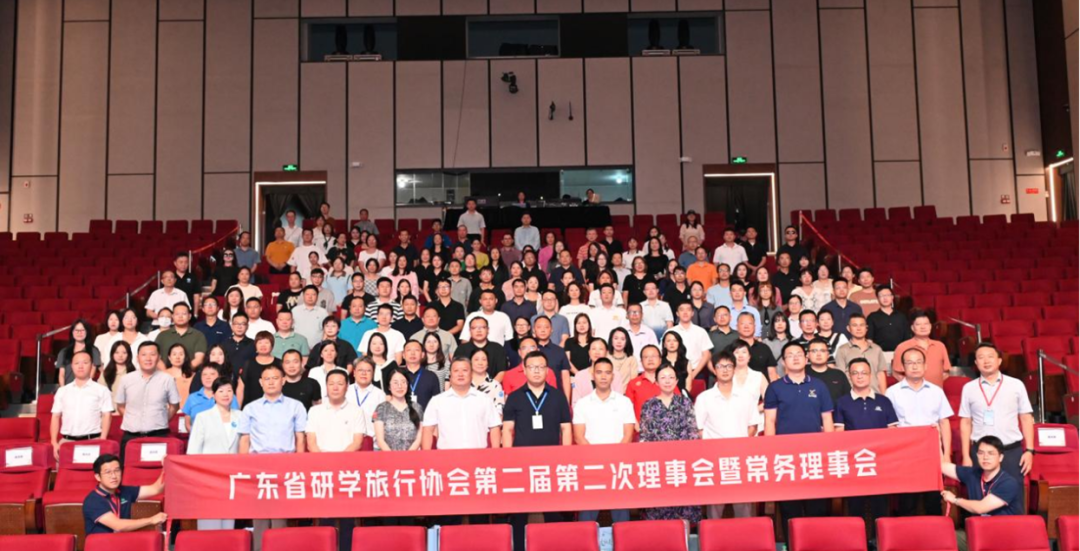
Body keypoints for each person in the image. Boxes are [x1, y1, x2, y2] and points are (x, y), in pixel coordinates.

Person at [502, 351, 573, 550]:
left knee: (553, 510)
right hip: (521, 464)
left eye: (541, 367)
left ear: (547, 371)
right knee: (519, 511)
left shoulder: (558, 396)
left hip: (552, 463)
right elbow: (507, 429)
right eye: (532, 367)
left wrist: (565, 457)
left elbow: (566, 429)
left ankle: (554, 546)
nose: (536, 371)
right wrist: (508, 459)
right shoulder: (514, 397)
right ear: (524, 370)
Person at [238, 363, 307, 549]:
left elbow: (300, 438)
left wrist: (299, 466)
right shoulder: (250, 408)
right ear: (260, 382)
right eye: (267, 379)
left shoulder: (295, 406)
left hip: (285, 465)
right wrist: (242, 469)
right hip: (257, 466)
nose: (271, 382)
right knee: (259, 516)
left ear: (283, 381)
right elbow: (244, 440)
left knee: (280, 516)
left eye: (275, 378)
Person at [764, 342, 834, 523]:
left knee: (817, 507)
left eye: (799, 354)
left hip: (815, 455)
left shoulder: (819, 386)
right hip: (786, 457)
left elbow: (827, 420)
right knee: (790, 508)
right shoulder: (775, 387)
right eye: (790, 355)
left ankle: (816, 539)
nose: (795, 358)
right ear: (783, 362)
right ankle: (791, 539)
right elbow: (770, 421)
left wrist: (830, 450)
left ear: (806, 358)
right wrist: (770, 451)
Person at [833, 358, 898, 531]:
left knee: (880, 506)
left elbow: (893, 432)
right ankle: (858, 541)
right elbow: (839, 434)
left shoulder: (884, 401)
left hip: (881, 462)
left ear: (871, 375)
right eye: (855, 373)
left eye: (864, 373)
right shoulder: (842, 402)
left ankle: (881, 540)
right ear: (849, 376)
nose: (860, 376)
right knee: (855, 506)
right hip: (854, 463)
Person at [886, 347, 953, 516]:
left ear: (925, 366)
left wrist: (946, 454)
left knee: (933, 499)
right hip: (905, 453)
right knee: (907, 501)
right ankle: (906, 532)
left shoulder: (936, 391)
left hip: (931, 452)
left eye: (918, 362)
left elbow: (944, 422)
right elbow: (889, 426)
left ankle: (935, 531)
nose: (914, 366)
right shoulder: (892, 392)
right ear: (902, 367)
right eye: (910, 363)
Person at [305, 368, 366, 550]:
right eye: (331, 384)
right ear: (326, 386)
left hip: (347, 471)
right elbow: (311, 442)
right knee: (326, 517)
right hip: (322, 471)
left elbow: (357, 442)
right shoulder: (315, 411)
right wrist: (325, 464)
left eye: (340, 383)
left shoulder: (356, 411)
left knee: (347, 517)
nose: (335, 387)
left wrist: (339, 463)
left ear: (347, 386)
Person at [958, 343, 1035, 483]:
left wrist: (1029, 451)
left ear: (999, 360)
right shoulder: (968, 388)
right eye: (981, 357)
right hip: (981, 453)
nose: (986, 361)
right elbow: (966, 422)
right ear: (976, 363)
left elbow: (1026, 418)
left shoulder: (1016, 385)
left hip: (1010, 452)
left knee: (1011, 494)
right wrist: (966, 455)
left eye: (990, 356)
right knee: (981, 494)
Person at [696, 351, 759, 518]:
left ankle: (746, 532)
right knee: (715, 504)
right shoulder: (704, 398)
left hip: (740, 456)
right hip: (714, 457)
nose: (725, 370)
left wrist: (740, 445)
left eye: (729, 366)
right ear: (714, 370)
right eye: (720, 366)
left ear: (734, 369)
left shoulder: (746, 396)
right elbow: (699, 429)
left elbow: (753, 425)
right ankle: (712, 535)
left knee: (743, 503)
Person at [573, 358, 635, 524]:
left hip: (618, 464)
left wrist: (614, 460)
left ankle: (623, 538)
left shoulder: (624, 402)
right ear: (593, 375)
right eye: (599, 372)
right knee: (588, 514)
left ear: (612, 376)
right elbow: (579, 437)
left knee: (621, 514)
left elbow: (628, 435)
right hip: (591, 465)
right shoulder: (582, 404)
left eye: (607, 373)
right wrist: (597, 461)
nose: (603, 376)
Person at [639, 364, 700, 523]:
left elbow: (692, 432)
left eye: (671, 377)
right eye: (663, 378)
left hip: (682, 463)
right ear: (656, 382)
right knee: (659, 506)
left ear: (677, 381)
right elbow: (645, 436)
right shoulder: (648, 405)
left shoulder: (685, 403)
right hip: (657, 464)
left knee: (683, 506)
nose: (667, 381)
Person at [186, 377, 241, 530]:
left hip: (232, 476)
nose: (226, 394)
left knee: (229, 522)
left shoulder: (241, 416)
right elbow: (193, 451)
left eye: (229, 390)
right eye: (221, 391)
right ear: (214, 395)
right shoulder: (203, 417)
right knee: (209, 522)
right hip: (209, 477)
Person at [115, 343, 180, 463]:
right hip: (131, 436)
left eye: (152, 354)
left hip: (158, 435)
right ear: (137, 358)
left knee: (158, 469)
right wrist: (132, 418)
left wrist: (162, 419)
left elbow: (175, 405)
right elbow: (120, 405)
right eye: (144, 355)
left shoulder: (167, 379)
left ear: (159, 357)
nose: (148, 358)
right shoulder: (126, 379)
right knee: (129, 469)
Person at [423, 357, 502, 451]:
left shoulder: (484, 399)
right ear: (450, 376)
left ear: (471, 374)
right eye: (456, 371)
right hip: (446, 456)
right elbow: (428, 430)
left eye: (465, 370)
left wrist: (495, 454)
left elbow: (494, 427)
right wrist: (426, 456)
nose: (460, 374)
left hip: (479, 455)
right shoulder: (437, 401)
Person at [50, 351, 113, 460]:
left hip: (93, 441)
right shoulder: (62, 391)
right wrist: (54, 442)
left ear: (92, 365)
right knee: (64, 471)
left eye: (85, 362)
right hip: (66, 442)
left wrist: (102, 440)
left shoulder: (101, 390)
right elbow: (55, 416)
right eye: (77, 363)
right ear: (72, 366)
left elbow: (107, 415)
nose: (80, 366)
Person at [82, 455, 167, 535]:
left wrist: (166, 467)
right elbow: (118, 525)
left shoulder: (125, 491)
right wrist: (151, 520)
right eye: (108, 472)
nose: (114, 476)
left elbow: (156, 489)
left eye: (117, 470)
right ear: (98, 477)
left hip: (122, 541)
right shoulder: (93, 500)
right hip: (101, 543)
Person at [941, 436, 1025, 516]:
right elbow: (941, 466)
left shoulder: (1008, 483)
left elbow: (981, 508)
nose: (985, 457)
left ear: (1000, 457)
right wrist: (937, 441)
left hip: (1006, 525)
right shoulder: (973, 473)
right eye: (981, 453)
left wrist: (955, 500)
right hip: (980, 525)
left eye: (991, 453)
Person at [891, 311, 952, 386]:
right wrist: (912, 386)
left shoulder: (940, 346)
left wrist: (932, 387)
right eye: (918, 324)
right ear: (912, 328)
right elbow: (896, 373)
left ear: (930, 326)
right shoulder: (902, 347)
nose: (923, 327)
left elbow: (946, 372)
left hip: (935, 391)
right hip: (911, 391)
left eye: (926, 324)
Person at [835, 313, 888, 393]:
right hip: (852, 395)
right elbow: (840, 376)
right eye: (855, 325)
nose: (859, 328)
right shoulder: (842, 350)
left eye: (862, 325)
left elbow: (881, 374)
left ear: (866, 328)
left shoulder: (876, 349)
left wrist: (883, 396)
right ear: (848, 328)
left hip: (874, 394)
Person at [374, 368, 423, 452]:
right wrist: (393, 457)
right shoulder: (381, 408)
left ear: (407, 385)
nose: (400, 386)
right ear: (389, 386)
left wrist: (408, 456)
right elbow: (380, 440)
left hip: (412, 457)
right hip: (387, 457)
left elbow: (419, 438)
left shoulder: (417, 407)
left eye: (403, 382)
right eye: (395, 383)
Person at [664, 303, 713, 384]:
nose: (685, 312)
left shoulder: (701, 331)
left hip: (697, 372)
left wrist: (693, 374)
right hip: (674, 373)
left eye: (688, 310)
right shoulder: (670, 332)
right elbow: (663, 352)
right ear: (677, 313)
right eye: (682, 310)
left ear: (692, 313)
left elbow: (706, 354)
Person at [455, 317, 509, 381]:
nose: (479, 331)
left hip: (494, 385)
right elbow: (456, 371)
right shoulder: (461, 349)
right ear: (470, 331)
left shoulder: (497, 348)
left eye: (483, 327)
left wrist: (491, 385)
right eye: (474, 328)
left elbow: (502, 371)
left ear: (488, 330)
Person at [237, 332, 282, 407]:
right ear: (255, 345)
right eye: (260, 343)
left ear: (272, 345)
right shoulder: (248, 363)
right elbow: (240, 388)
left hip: (275, 406)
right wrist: (237, 409)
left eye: (266, 342)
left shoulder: (280, 363)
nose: (263, 345)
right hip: (251, 406)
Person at [867, 286, 911, 363]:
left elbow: (907, 338)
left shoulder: (901, 316)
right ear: (877, 298)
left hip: (900, 354)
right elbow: (869, 339)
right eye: (882, 296)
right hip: (880, 355)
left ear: (892, 297)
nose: (885, 298)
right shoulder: (872, 317)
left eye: (887, 295)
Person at [57, 320, 103, 386]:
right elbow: (61, 375)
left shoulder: (93, 350)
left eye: (82, 330)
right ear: (72, 332)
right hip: (68, 388)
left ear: (87, 332)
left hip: (87, 388)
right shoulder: (64, 352)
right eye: (77, 330)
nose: (79, 333)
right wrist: (63, 389)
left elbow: (92, 374)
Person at [350, 357, 387, 439]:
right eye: (360, 370)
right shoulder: (346, 391)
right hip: (347, 440)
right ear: (354, 373)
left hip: (372, 441)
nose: (364, 373)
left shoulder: (380, 394)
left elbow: (383, 422)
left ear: (373, 374)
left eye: (368, 371)